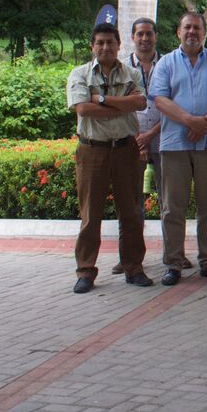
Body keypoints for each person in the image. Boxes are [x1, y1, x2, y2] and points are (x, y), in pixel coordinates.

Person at [151, 12, 207, 286]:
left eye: (197, 28)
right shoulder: (165, 63)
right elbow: (159, 99)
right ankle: (174, 264)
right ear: (179, 31)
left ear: (204, 32)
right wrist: (189, 120)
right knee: (172, 208)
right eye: (187, 28)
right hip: (175, 145)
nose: (192, 32)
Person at [66, 23, 150, 293]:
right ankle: (86, 271)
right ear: (92, 46)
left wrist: (100, 99)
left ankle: (133, 267)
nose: (105, 47)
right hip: (93, 150)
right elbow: (83, 109)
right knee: (91, 215)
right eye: (100, 42)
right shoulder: (79, 74)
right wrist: (119, 104)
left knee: (132, 213)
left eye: (110, 42)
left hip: (126, 149)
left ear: (118, 45)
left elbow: (139, 103)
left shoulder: (132, 73)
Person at [120, 17, 163, 276]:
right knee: (131, 204)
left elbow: (173, 104)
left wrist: (150, 135)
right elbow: (118, 106)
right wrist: (139, 138)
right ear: (133, 38)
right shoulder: (121, 68)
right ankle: (129, 258)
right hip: (131, 143)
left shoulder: (169, 63)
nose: (145, 38)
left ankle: (174, 255)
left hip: (164, 139)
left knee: (169, 201)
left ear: (155, 36)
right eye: (140, 34)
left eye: (149, 34)